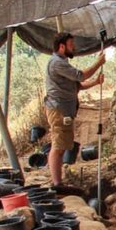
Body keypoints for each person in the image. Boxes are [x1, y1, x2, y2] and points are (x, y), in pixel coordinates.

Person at [45, 32, 105, 186]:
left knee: (62, 145)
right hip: (58, 110)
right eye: (71, 45)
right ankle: (57, 184)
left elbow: (77, 86)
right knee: (58, 146)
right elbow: (80, 76)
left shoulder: (62, 63)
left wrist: (96, 82)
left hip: (64, 110)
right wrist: (98, 63)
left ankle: (58, 182)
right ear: (62, 46)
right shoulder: (57, 63)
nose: (74, 48)